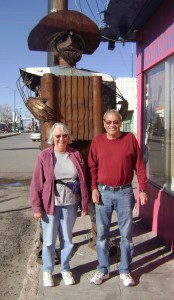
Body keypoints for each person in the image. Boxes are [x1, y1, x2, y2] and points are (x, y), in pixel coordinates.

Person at [88, 109, 148, 287]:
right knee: (101, 235)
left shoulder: (130, 139)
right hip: (103, 192)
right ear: (104, 123)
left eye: (115, 122)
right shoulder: (97, 141)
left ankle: (124, 270)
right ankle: (103, 269)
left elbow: (140, 166)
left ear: (120, 123)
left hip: (124, 193)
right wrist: (93, 188)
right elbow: (92, 167)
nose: (112, 125)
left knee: (126, 235)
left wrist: (143, 189)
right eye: (108, 122)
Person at [30, 122, 89, 287]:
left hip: (70, 204)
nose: (61, 138)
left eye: (64, 135)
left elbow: (83, 180)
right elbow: (36, 184)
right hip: (50, 205)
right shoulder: (44, 156)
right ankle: (48, 272)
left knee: (68, 240)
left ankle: (65, 269)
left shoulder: (75, 154)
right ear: (52, 138)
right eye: (57, 136)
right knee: (49, 241)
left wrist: (84, 204)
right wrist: (36, 208)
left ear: (68, 137)